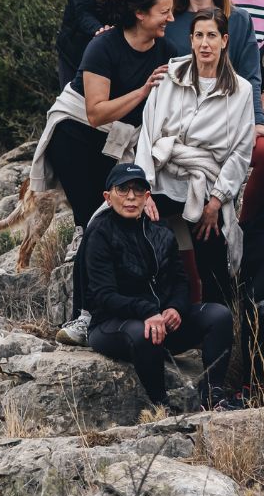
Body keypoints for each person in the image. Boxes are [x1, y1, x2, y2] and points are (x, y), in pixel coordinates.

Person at [30, 0, 174, 346]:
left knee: (106, 222)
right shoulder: (103, 46)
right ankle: (85, 317)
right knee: (93, 223)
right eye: (164, 12)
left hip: (118, 143)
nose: (171, 19)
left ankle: (109, 311)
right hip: (75, 137)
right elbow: (95, 113)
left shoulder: (164, 51)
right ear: (140, 14)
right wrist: (143, 89)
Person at [83, 162, 236, 410]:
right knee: (144, 333)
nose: (131, 196)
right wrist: (146, 311)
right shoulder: (99, 233)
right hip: (112, 325)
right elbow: (103, 295)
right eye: (122, 189)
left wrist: (175, 307)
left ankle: (213, 396)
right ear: (107, 197)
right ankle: (161, 406)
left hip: (163, 325)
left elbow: (180, 280)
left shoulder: (161, 230)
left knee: (219, 316)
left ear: (147, 197)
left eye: (138, 190)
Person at [137, 8, 254, 306]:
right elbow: (148, 134)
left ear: (224, 40)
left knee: (213, 255)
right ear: (190, 40)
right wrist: (143, 190)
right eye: (199, 35)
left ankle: (220, 328)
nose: (205, 43)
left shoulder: (241, 91)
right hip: (162, 177)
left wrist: (217, 201)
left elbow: (241, 153)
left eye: (212, 36)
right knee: (133, 229)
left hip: (204, 184)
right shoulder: (170, 76)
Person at [165, 0, 264, 233]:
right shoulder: (168, 22)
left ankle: (243, 224)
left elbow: (252, 76)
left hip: (229, 121)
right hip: (183, 130)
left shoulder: (239, 20)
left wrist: (257, 120)